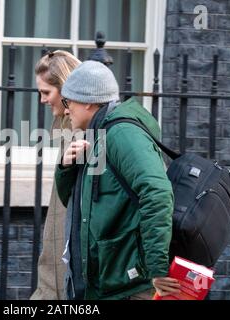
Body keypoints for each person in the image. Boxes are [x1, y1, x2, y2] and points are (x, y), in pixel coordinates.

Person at [55, 60, 181, 300]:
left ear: (88, 100)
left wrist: (157, 268)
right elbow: (76, 205)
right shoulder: (98, 135)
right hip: (107, 283)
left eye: (68, 101)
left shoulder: (122, 134)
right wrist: (66, 168)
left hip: (128, 287)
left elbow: (157, 193)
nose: (66, 110)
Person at [30, 50, 81, 300]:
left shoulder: (82, 128)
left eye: (46, 92)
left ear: (65, 89)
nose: (42, 100)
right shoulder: (65, 125)